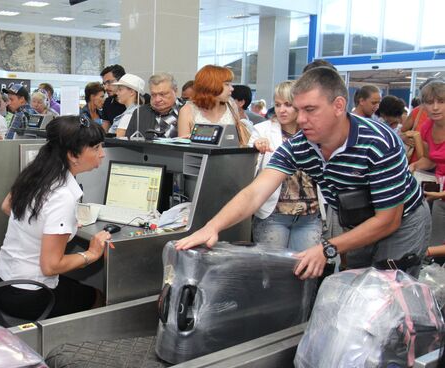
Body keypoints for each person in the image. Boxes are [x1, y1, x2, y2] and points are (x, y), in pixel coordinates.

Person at [177, 67, 430, 280]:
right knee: (358, 286)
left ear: (339, 106)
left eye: (311, 110)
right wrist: (212, 226)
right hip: (356, 217)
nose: (301, 119)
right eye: (299, 110)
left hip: (403, 221)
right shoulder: (301, 145)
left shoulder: (377, 141)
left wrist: (327, 248)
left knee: (391, 289)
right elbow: (255, 193)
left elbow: (389, 220)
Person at [0, 115, 111, 320]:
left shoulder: (36, 172)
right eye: (96, 148)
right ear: (73, 155)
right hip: (28, 294)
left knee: (75, 287)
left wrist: (51, 226)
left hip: (3, 281)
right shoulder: (63, 195)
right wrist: (91, 253)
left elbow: (6, 207)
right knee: (98, 297)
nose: (102, 154)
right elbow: (50, 267)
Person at [247, 81, 321, 251]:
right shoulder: (262, 130)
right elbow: (249, 167)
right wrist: (256, 147)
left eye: (288, 105)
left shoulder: (314, 132)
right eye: (278, 104)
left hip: (309, 215)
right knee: (272, 270)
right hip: (274, 214)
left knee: (304, 270)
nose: (281, 110)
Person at [407, 81, 445, 247]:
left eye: (441, 102)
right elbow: (430, 159)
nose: (435, 107)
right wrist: (413, 166)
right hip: (439, 191)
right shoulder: (427, 127)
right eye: (429, 103)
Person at [177, 65, 250, 146]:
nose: (232, 88)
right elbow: (183, 147)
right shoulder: (187, 110)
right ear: (212, 85)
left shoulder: (231, 105)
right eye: (227, 84)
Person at [125, 72, 184, 138]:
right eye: (153, 95)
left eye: (162, 94)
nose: (157, 100)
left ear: (175, 91)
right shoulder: (140, 113)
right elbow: (129, 143)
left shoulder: (187, 111)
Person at [100, 64, 127, 131]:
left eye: (109, 82)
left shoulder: (140, 101)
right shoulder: (108, 102)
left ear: (121, 80)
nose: (105, 88)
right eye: (104, 83)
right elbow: (104, 130)